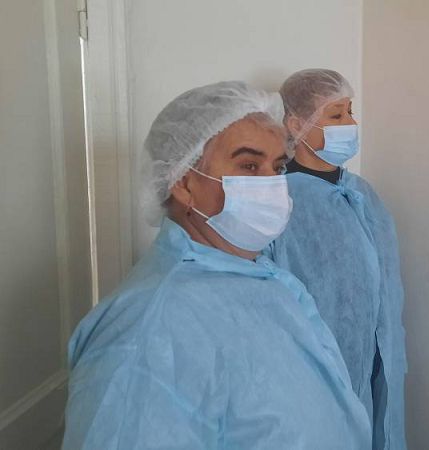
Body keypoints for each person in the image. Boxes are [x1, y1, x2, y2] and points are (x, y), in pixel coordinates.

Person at [62, 81, 371, 449]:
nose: (272, 185)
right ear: (183, 183)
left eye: (277, 167)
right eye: (249, 165)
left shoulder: (257, 275)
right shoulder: (147, 332)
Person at [268, 69, 407, 449]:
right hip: (314, 367)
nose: (351, 123)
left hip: (378, 355)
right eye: (336, 114)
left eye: (350, 111)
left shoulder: (362, 192)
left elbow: (384, 284)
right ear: (296, 124)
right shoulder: (277, 200)